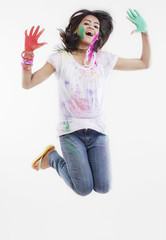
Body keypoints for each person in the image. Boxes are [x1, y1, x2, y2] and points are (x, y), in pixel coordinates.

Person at [22, 9, 151, 196]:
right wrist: (27, 55)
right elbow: (28, 83)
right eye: (86, 23)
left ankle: (56, 160)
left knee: (103, 187)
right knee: (83, 189)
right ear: (75, 29)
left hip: (97, 131)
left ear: (99, 34)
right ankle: (52, 158)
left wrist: (145, 33)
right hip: (70, 132)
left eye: (96, 26)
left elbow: (144, 63)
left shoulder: (104, 59)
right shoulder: (60, 59)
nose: (92, 27)